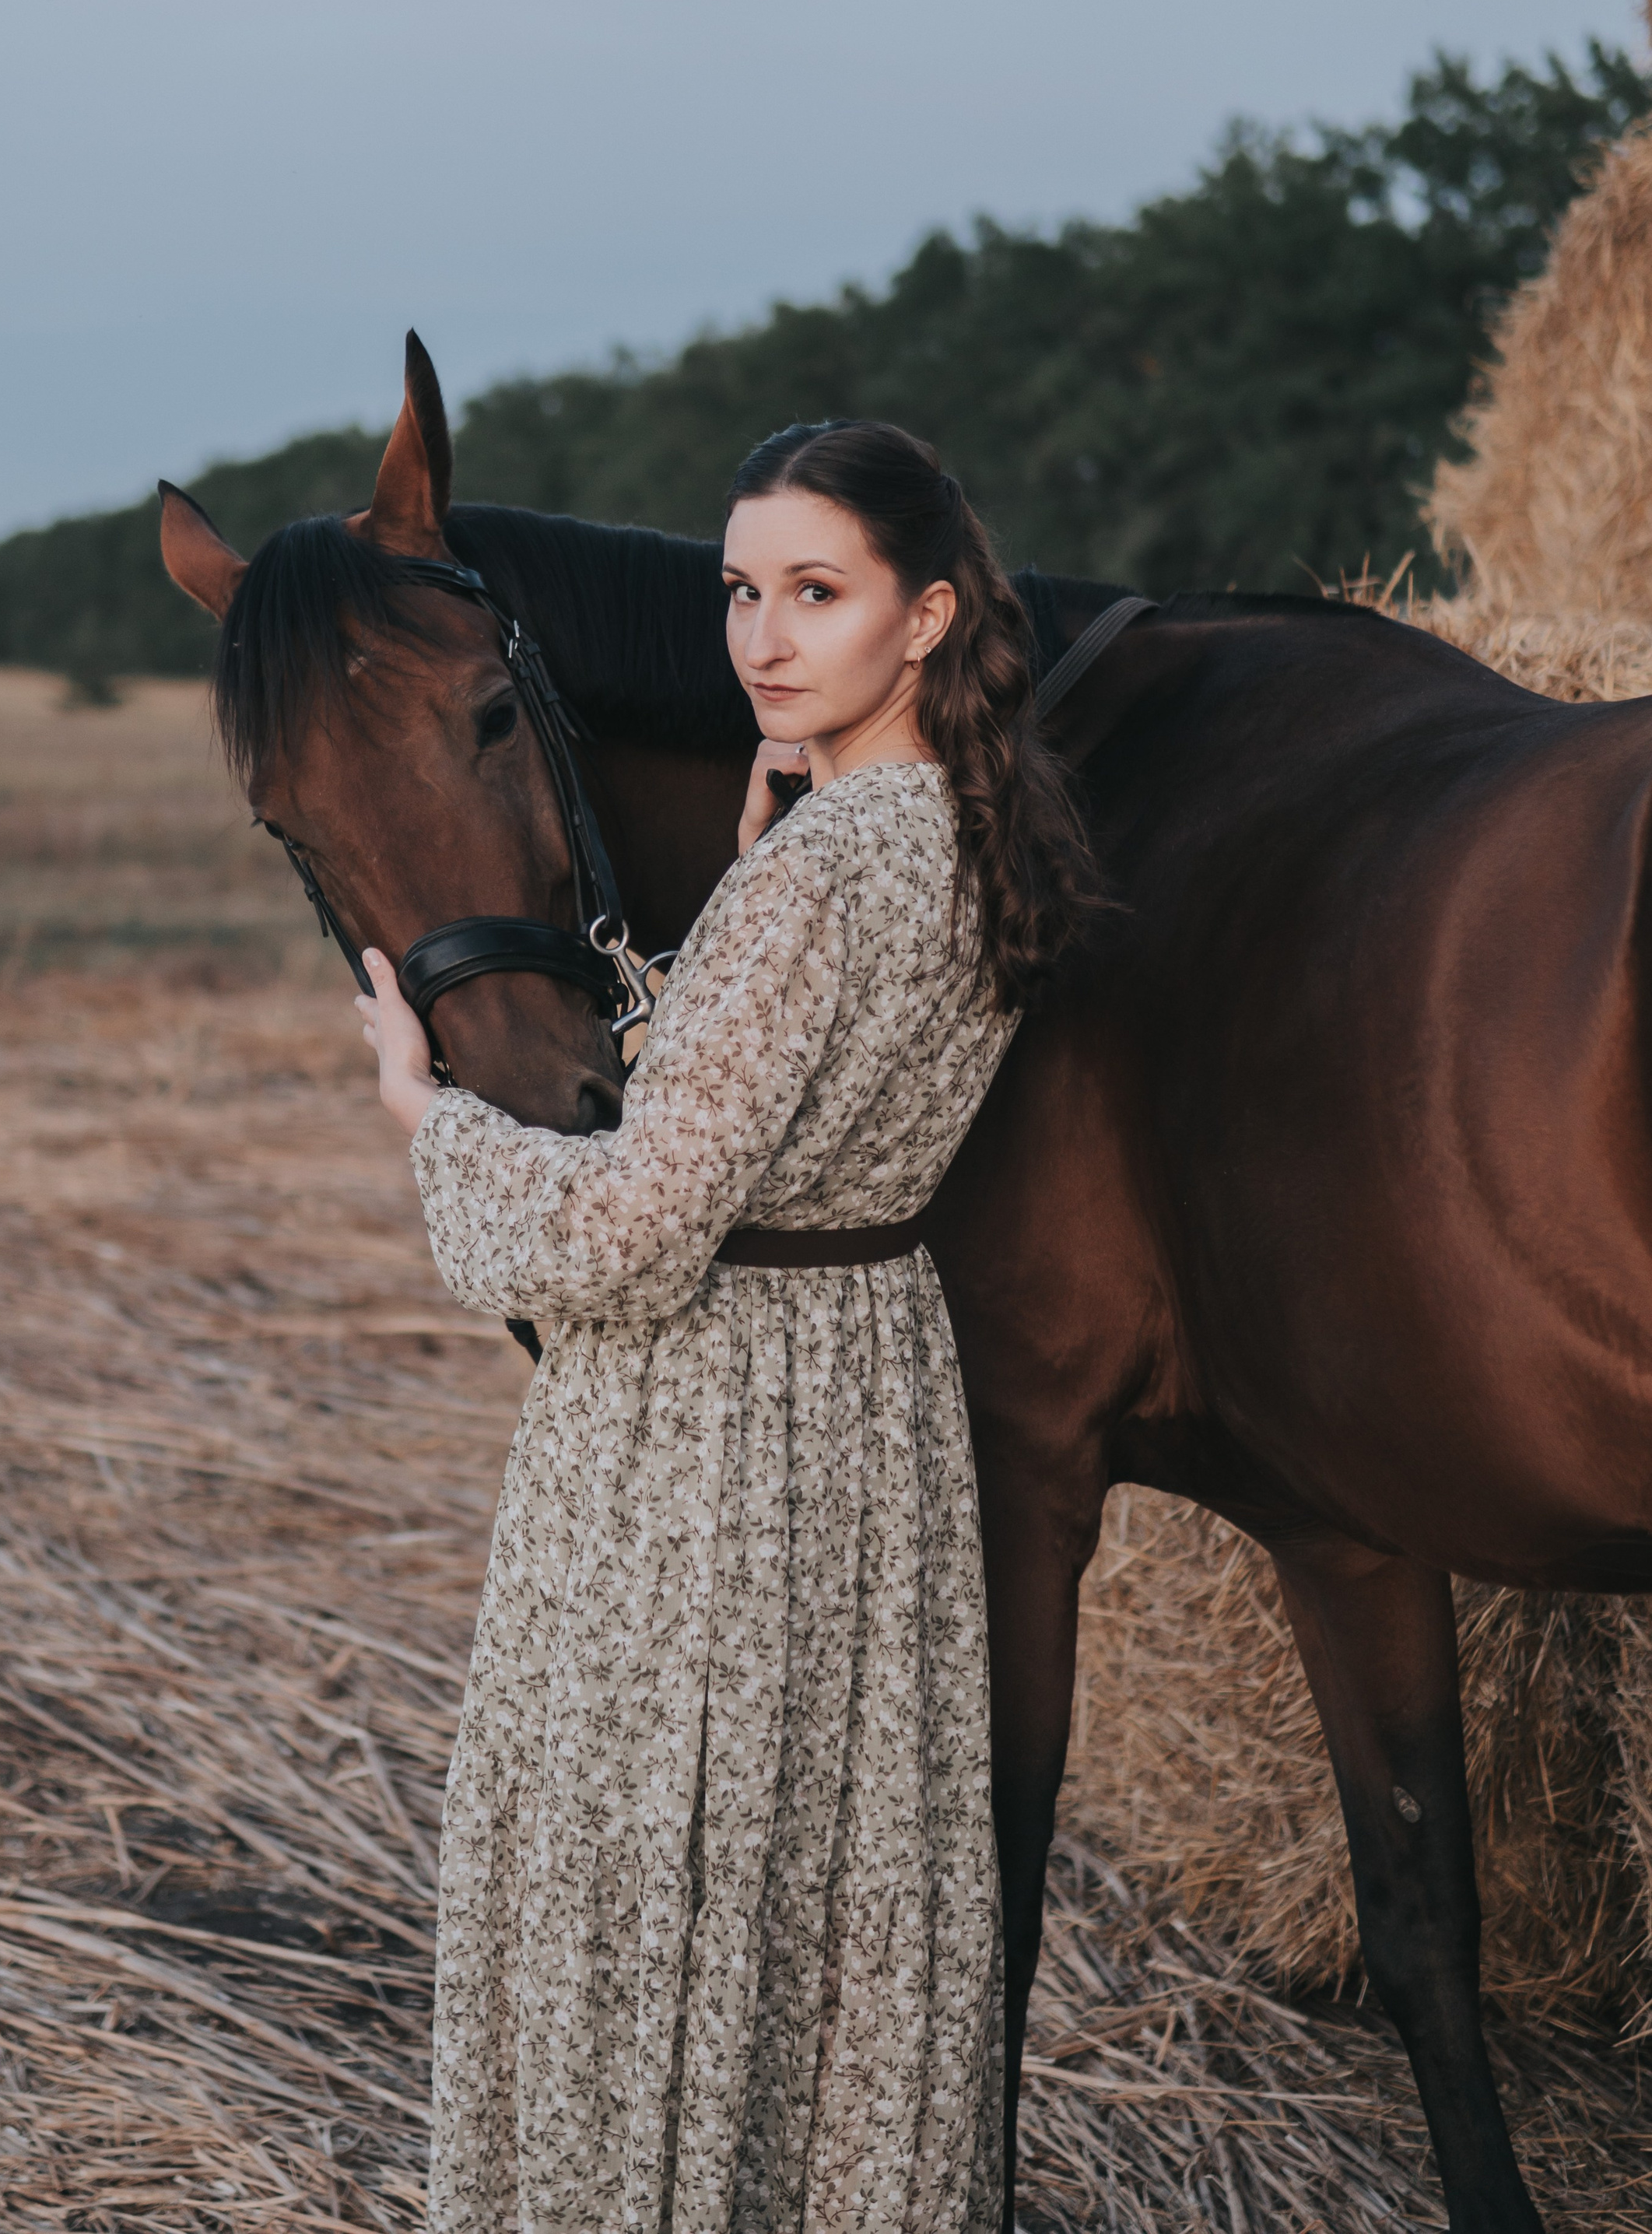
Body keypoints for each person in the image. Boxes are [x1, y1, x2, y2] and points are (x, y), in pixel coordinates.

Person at [355, 421, 1093, 2234]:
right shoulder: (969, 840)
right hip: (865, 1402)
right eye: (739, 592)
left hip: (698, 1445)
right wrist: (739, 898)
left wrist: (426, 1116)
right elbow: (796, 1113)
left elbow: (625, 1224)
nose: (761, 637)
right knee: (813, 1890)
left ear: (922, 617)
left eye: (815, 593)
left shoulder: (812, 887)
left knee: (644, 1881)